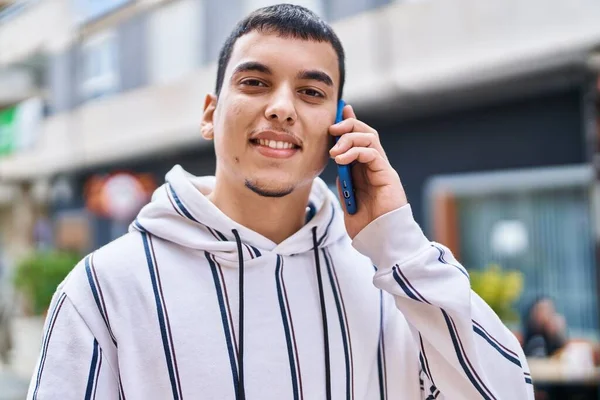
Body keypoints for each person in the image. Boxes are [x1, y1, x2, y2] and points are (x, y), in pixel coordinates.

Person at [27, 4, 533, 399]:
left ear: (339, 125)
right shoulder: (105, 289)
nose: (282, 108)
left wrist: (399, 241)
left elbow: (507, 391)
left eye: (311, 93)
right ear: (210, 113)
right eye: (255, 82)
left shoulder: (397, 286)